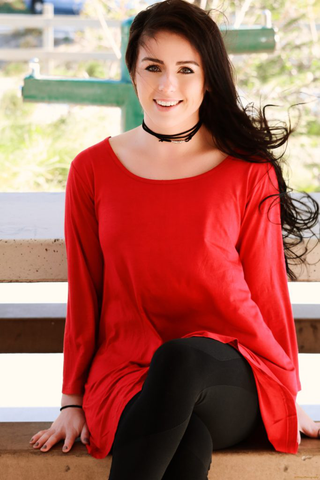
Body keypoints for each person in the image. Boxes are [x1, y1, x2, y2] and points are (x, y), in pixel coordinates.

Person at [29, 0, 320, 478]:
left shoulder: (248, 172)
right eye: (153, 67)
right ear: (133, 73)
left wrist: (288, 394)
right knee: (185, 446)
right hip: (126, 377)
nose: (168, 85)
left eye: (186, 69)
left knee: (180, 358)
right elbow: (86, 290)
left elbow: (267, 291)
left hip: (231, 374)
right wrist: (71, 400)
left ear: (209, 79)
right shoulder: (92, 171)